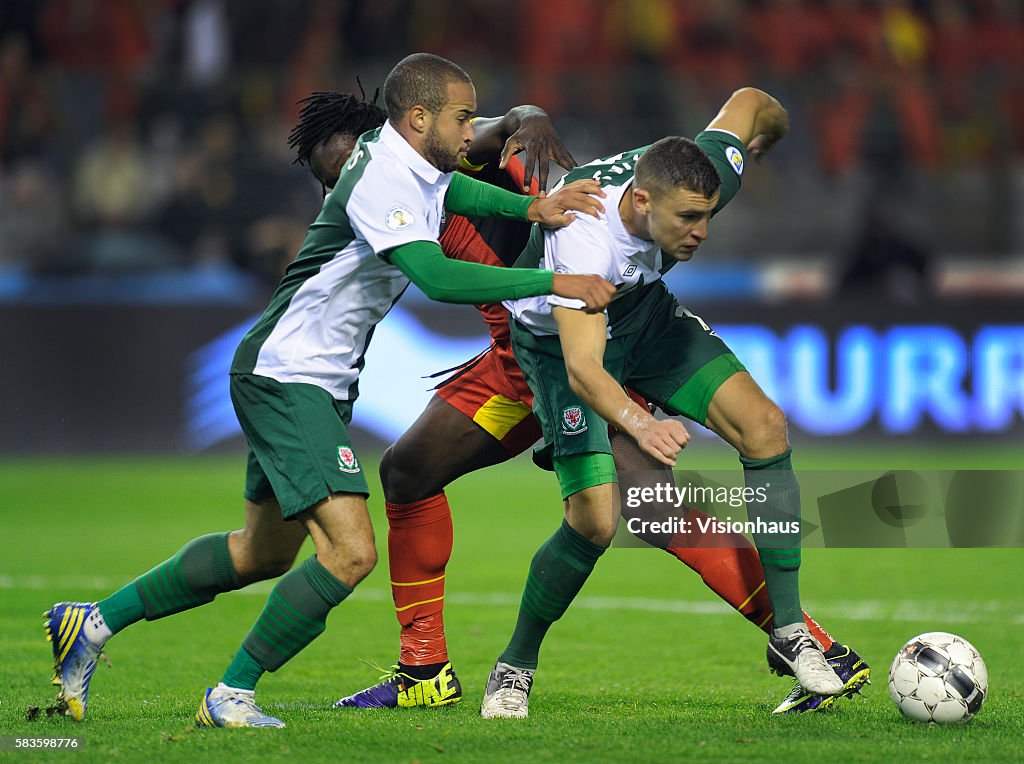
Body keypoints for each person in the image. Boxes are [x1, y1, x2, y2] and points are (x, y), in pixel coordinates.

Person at [43, 52, 617, 729]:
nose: (471, 133)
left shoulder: (408, 160)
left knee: (260, 552)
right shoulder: (376, 177)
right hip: (290, 378)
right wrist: (554, 282)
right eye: (462, 118)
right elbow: (437, 279)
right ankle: (232, 694)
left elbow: (455, 191)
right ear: (420, 117)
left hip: (306, 380)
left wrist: (531, 206)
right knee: (350, 553)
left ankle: (92, 623)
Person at [294, 87, 869, 715]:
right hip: (529, 350)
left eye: (348, 166)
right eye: (332, 179)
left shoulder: (451, 161)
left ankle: (806, 640)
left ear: (392, 137)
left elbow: (506, 129)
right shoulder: (382, 203)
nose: (345, 185)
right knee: (410, 472)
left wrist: (530, 119)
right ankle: (425, 668)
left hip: (566, 342)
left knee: (639, 504)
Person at [479, 87, 853, 719]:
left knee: (765, 427)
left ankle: (791, 634)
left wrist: (770, 136)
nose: (702, 232)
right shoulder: (585, 238)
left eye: (708, 216)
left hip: (644, 317)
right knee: (597, 520)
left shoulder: (695, 176)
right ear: (641, 200)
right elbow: (583, 368)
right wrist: (637, 421)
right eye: (687, 220)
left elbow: (751, 101)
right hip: (558, 343)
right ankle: (514, 667)